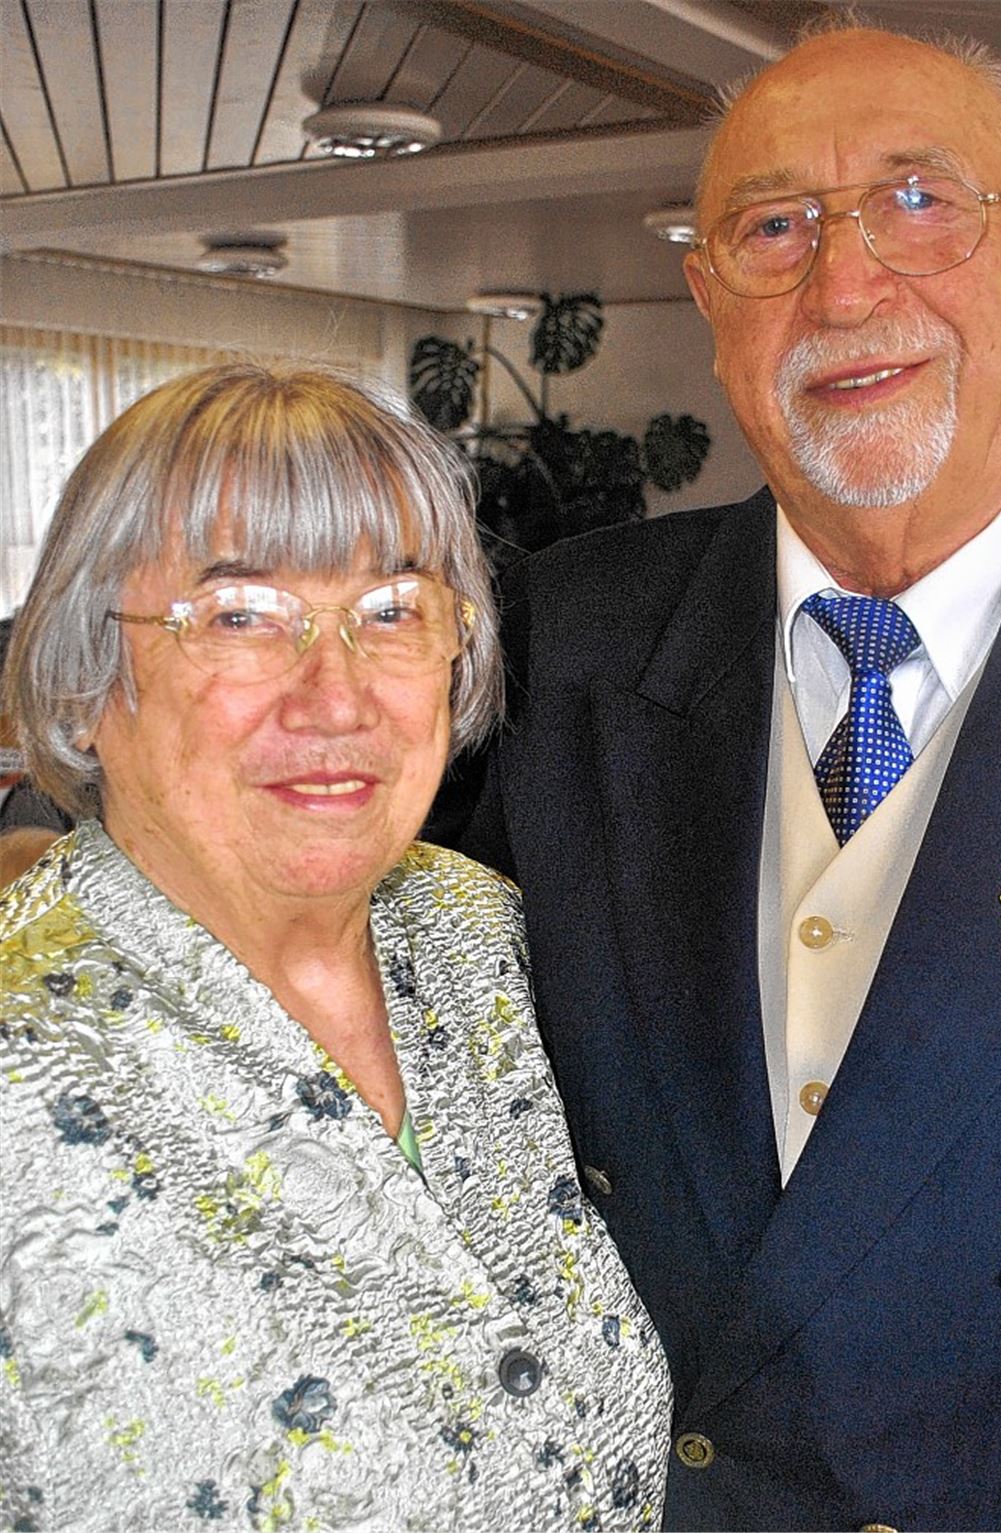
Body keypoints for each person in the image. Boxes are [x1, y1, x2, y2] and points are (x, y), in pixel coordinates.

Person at [450, 20, 1001, 1533]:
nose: (843, 287)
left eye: (919, 201)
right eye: (776, 227)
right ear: (711, 300)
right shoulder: (560, 638)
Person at [0, 363, 671, 1533]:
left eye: (393, 611)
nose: (336, 698)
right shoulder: (24, 1061)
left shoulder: (482, 939)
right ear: (88, 677)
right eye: (240, 617)